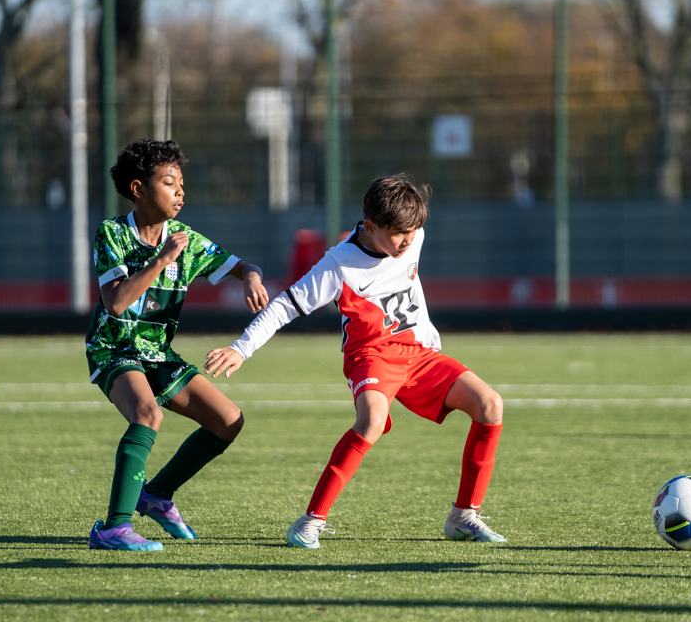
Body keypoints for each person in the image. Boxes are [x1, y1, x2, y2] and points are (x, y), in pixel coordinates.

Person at [205, 175, 506, 548]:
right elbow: (284, 306)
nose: (409, 241)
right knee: (372, 422)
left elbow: (406, 263)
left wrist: (424, 326)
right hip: (372, 356)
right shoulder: (338, 265)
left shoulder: (412, 236)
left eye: (414, 231)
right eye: (399, 234)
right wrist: (241, 347)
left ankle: (464, 516)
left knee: (490, 404)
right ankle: (310, 521)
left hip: (419, 354)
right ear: (370, 227)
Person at [86, 138, 269, 551]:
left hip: (157, 353)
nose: (180, 191)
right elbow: (115, 303)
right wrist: (161, 260)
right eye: (169, 182)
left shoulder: (184, 238)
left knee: (228, 421)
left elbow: (244, 266)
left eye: (181, 183)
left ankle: (157, 494)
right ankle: (113, 528)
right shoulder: (112, 234)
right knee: (147, 414)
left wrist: (253, 277)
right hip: (114, 348)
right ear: (138, 189)